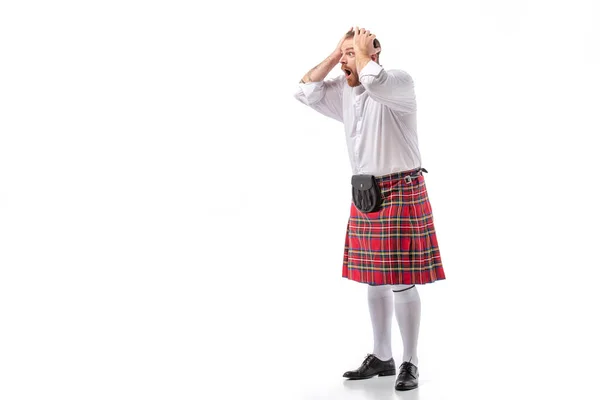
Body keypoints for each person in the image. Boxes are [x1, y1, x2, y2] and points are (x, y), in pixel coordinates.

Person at [293, 27, 446, 391]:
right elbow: (304, 90)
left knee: (401, 281)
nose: (346, 60)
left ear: (373, 53)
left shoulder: (397, 83)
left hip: (401, 190)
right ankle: (382, 355)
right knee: (373, 280)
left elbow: (374, 81)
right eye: (343, 54)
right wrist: (335, 55)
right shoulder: (346, 93)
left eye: (353, 53)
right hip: (366, 193)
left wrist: (363, 52)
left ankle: (411, 361)